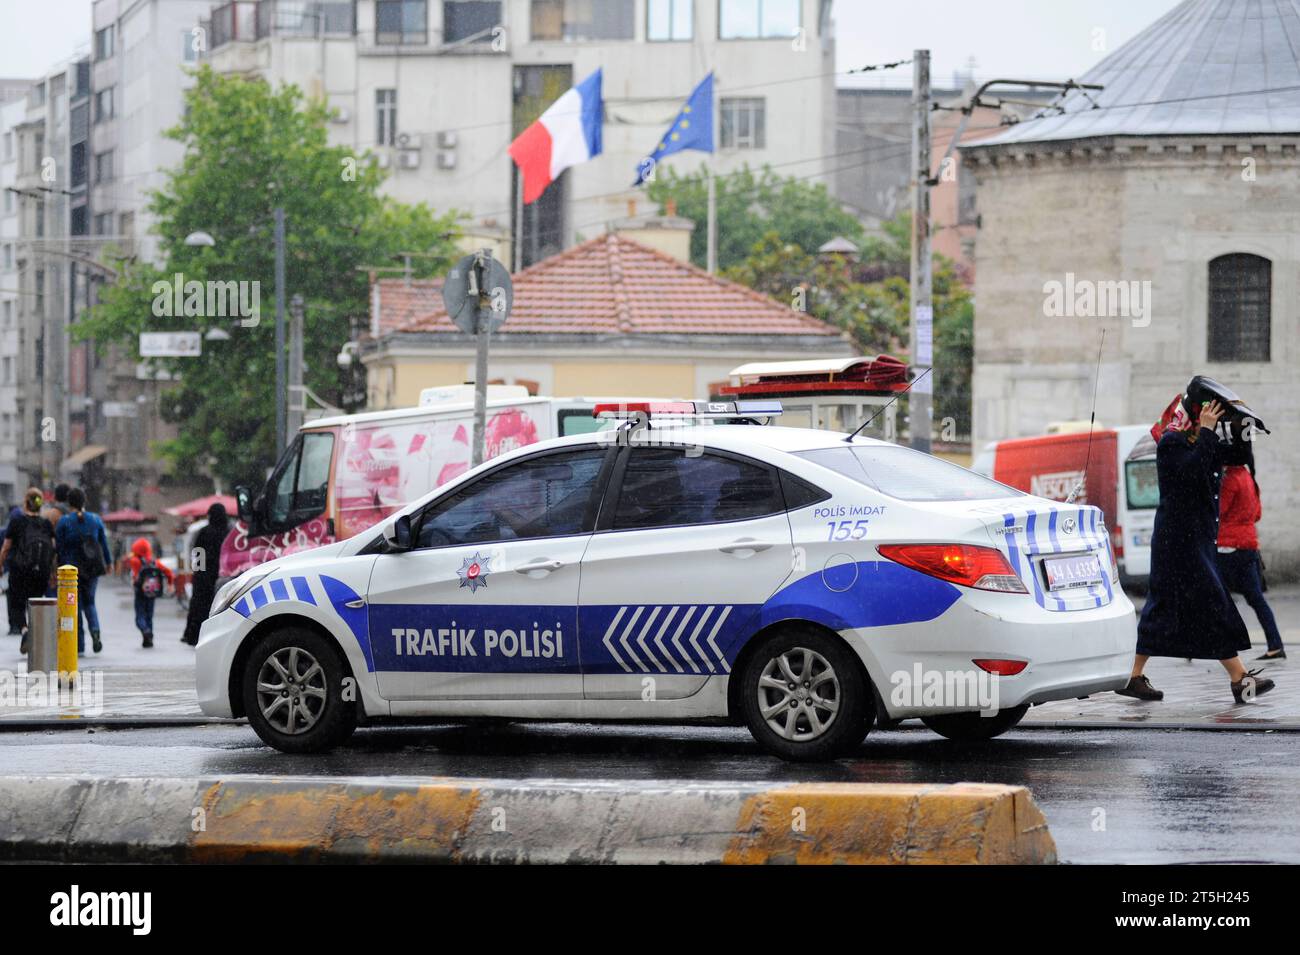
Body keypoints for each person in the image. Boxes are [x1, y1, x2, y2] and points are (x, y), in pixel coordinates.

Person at [1119, 393, 1275, 703]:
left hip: (1195, 541)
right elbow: (1191, 473)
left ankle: (1132, 677)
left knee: (1162, 609)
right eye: (1204, 414)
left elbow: (1237, 457)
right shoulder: (1171, 443)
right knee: (1212, 603)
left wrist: (1241, 421)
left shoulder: (1202, 442)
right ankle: (1239, 679)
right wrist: (1206, 431)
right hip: (1177, 544)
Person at [1216, 438, 1285, 661]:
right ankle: (1275, 644)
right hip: (1249, 545)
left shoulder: (1230, 480)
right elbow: (1257, 514)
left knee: (1218, 597)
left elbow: (1219, 512)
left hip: (1227, 546)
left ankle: (1224, 647)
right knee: (1256, 598)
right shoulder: (1248, 478)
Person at [55, 488, 113, 655]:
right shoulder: (95, 520)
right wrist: (108, 563)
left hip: (70, 571)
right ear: (84, 501)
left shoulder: (64, 522)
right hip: (92, 570)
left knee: (74, 606)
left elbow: (58, 547)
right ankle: (95, 631)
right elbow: (103, 544)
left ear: (69, 502)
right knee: (90, 603)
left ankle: (79, 643)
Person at [0, 489, 56, 654]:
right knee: (36, 603)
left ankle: (24, 630)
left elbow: (6, 547)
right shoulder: (46, 523)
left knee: (16, 604)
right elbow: (53, 549)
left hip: (20, 569)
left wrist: (1, 565)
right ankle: (35, 636)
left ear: (25, 502)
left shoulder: (17, 521)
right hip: (41, 571)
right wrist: (52, 572)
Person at [181, 503, 230, 646]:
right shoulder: (228, 533)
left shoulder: (204, 532)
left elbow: (197, 552)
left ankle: (194, 635)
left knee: (199, 606)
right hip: (222, 574)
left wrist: (198, 572)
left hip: (204, 575)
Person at [128, 537, 173, 649]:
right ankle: (149, 640)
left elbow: (134, 575)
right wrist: (170, 584)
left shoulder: (135, 561)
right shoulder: (154, 562)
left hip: (140, 592)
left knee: (139, 617)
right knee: (149, 616)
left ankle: (145, 630)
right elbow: (168, 572)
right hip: (152, 593)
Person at [3, 504, 23, 636]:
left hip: (14, 565)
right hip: (28, 566)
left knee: (12, 596)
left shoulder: (10, 526)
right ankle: (25, 624)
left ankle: (14, 626)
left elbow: (5, 548)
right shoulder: (28, 523)